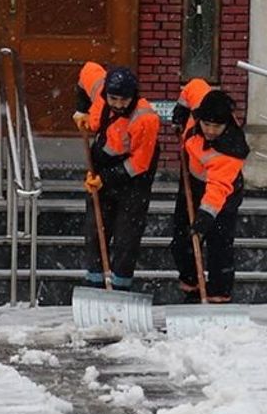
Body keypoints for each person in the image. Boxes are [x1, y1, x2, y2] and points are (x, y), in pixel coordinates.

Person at [73, 63, 160, 291]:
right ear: (105, 94)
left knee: (126, 236)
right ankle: (94, 283)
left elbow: (139, 164)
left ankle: (121, 286)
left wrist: (106, 178)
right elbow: (86, 71)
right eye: (113, 99)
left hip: (134, 179)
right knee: (96, 230)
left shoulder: (145, 119)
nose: (119, 105)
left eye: (124, 100)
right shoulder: (99, 89)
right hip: (103, 163)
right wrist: (82, 109)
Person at [169, 89, 249, 303]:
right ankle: (192, 288)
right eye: (207, 125)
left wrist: (205, 216)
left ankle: (218, 295)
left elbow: (218, 188)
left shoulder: (230, 151)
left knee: (219, 244)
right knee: (182, 241)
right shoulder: (199, 106)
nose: (211, 131)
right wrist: (180, 111)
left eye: (217, 127)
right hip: (192, 184)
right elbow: (192, 87)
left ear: (226, 124)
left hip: (223, 193)